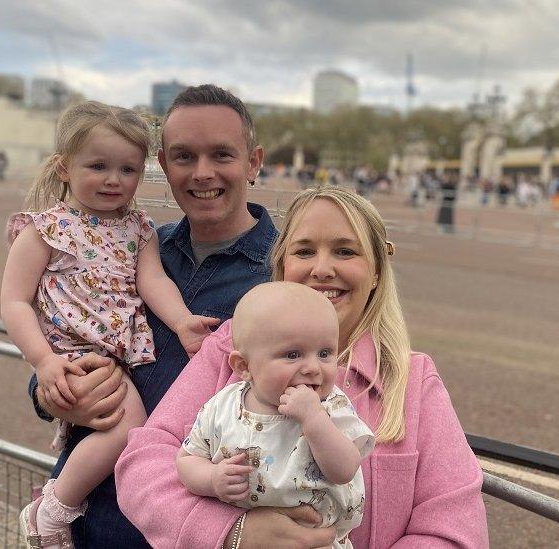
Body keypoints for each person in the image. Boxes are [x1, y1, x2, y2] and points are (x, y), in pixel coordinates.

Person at [116, 185, 489, 548]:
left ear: (376, 271)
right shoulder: (229, 349)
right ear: (282, 265)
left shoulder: (411, 382)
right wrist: (230, 533)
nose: (322, 269)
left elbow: (455, 529)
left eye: (345, 251)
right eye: (305, 251)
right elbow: (144, 464)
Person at [27, 84, 276, 546]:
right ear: (163, 166)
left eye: (222, 154)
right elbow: (64, 338)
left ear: (254, 162)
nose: (202, 173)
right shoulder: (132, 244)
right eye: (184, 156)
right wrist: (54, 394)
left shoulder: (281, 277)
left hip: (192, 530)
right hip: (87, 518)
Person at [1, 100, 218, 546]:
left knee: (120, 427)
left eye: (128, 169)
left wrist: (181, 323)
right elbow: (15, 303)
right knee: (128, 426)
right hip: (72, 352)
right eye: (98, 166)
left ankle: (56, 504)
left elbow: (152, 280)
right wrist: (44, 362)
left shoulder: (139, 227)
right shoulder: (44, 229)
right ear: (64, 168)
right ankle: (54, 509)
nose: (114, 180)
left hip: (112, 353)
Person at [176, 282, 374, 549]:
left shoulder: (331, 405)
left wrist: (314, 420)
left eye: (325, 353)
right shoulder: (222, 406)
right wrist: (211, 479)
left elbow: (345, 469)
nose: (314, 367)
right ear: (243, 366)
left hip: (319, 543)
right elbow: (187, 460)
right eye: (293, 355)